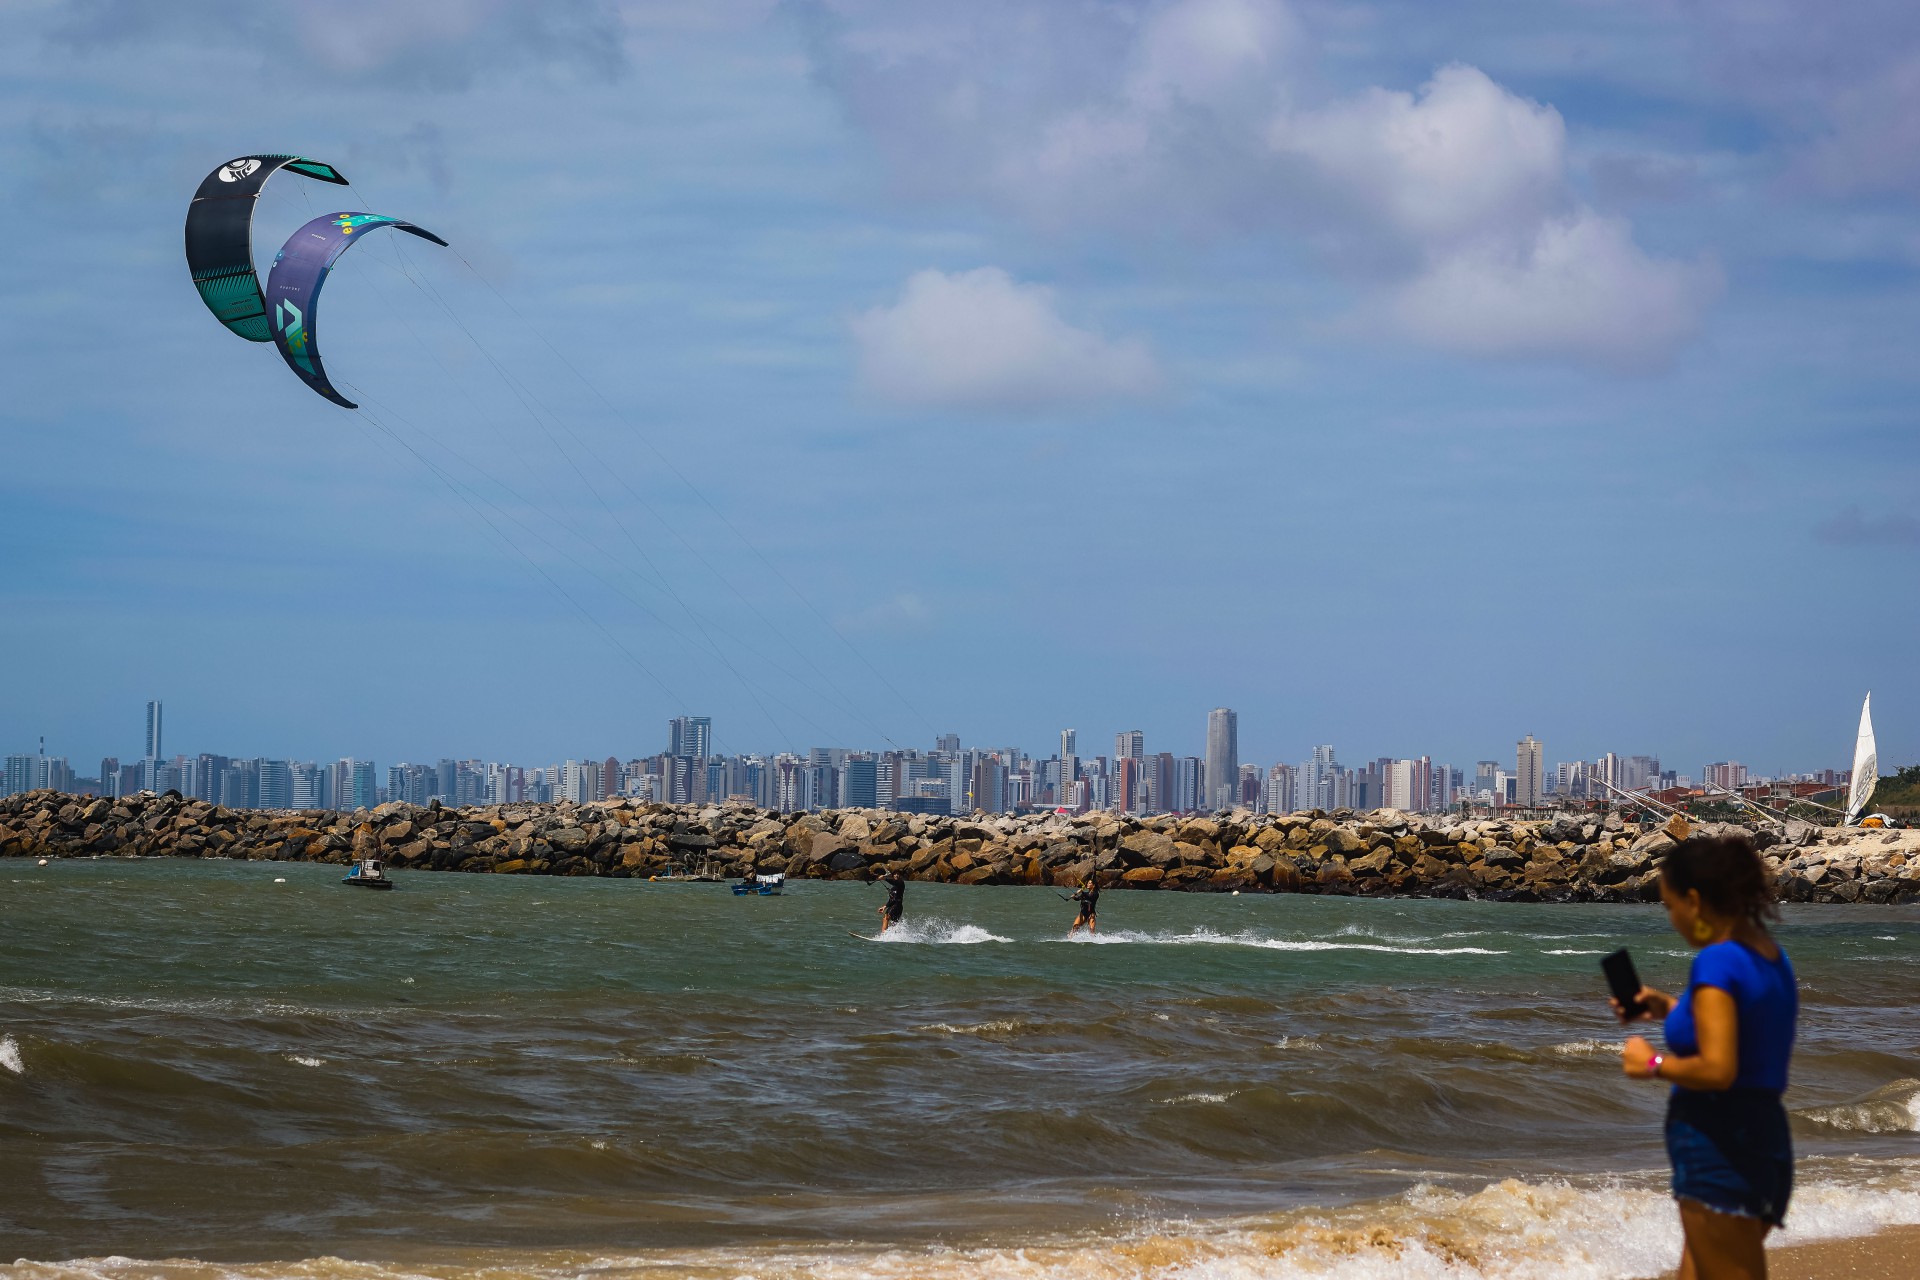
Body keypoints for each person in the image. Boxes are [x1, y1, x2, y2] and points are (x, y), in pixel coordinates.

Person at [1612, 834, 1798, 1280]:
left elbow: (1718, 1068)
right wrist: (1670, 1009)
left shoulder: (1717, 962)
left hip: (1719, 1144)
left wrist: (1651, 1064)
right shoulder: (1768, 954)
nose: (1671, 917)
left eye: (1669, 905)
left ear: (1694, 901)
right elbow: (1746, 1038)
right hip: (1764, 1139)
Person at [877, 868, 906, 933]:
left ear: (900, 876)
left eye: (898, 874)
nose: (896, 875)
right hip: (895, 906)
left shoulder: (901, 883)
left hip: (897, 906)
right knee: (893, 924)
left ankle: (883, 936)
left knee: (886, 918)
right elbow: (892, 899)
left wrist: (884, 878)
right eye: (895, 874)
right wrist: (884, 907)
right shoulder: (893, 888)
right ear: (893, 876)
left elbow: (894, 882)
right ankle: (893, 937)